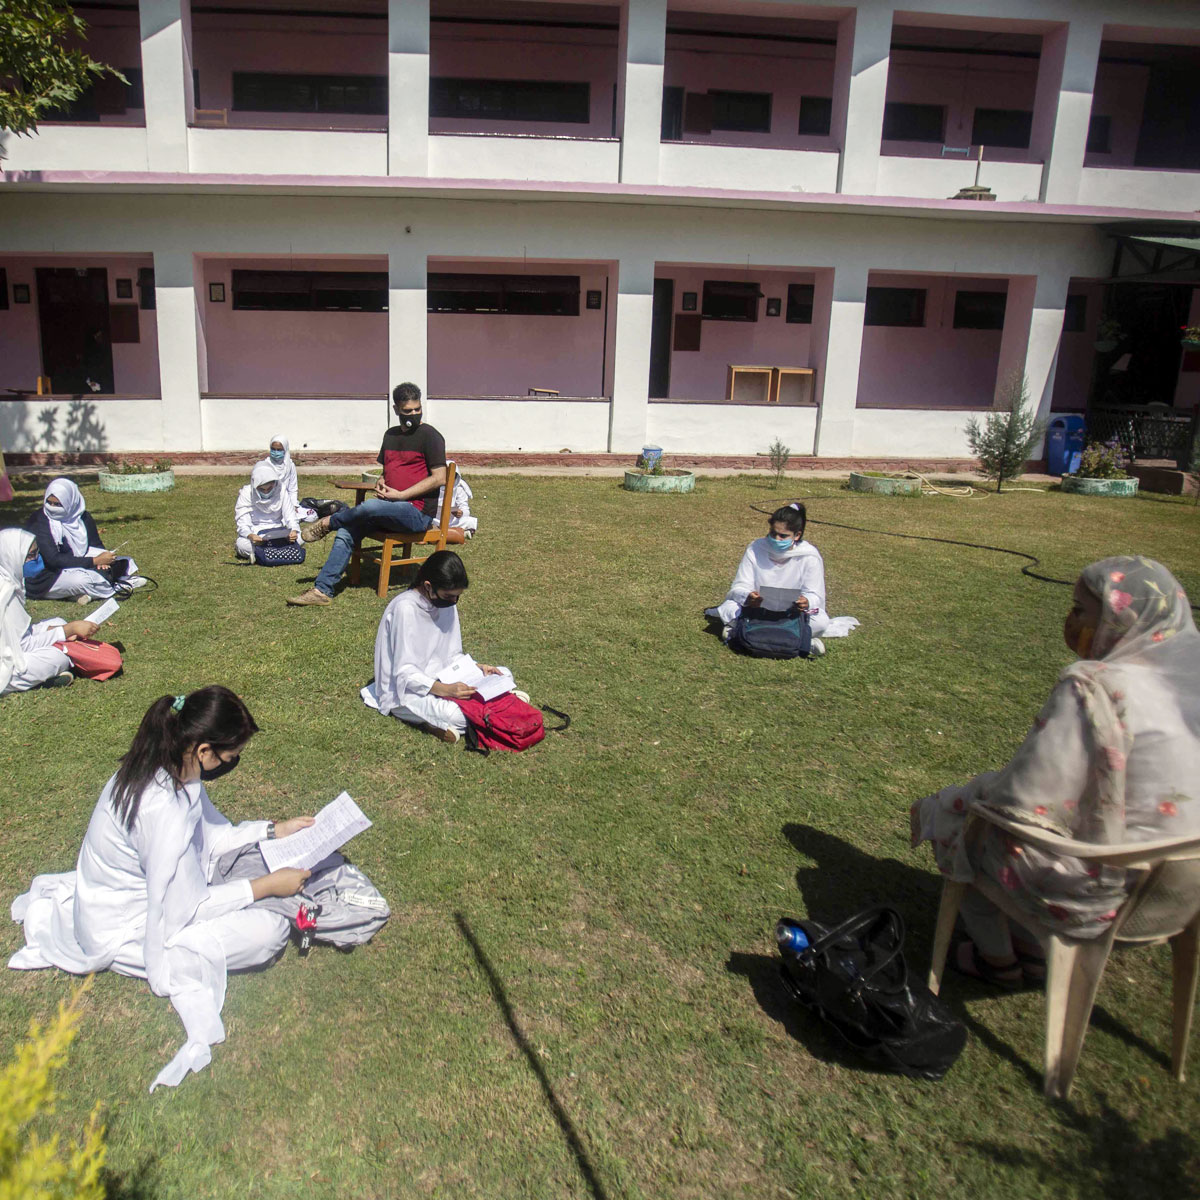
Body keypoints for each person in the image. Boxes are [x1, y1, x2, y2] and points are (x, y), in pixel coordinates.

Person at [911, 556, 1200, 987]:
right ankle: (1031, 947)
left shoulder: (1094, 685)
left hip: (1105, 894)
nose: (1070, 621)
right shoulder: (1188, 677)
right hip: (1179, 894)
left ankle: (997, 959)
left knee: (958, 818)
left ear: (1122, 618)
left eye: (1080, 610)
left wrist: (966, 794)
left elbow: (1021, 800)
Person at [9, 686, 316, 1090]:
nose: (233, 763)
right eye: (231, 756)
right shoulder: (163, 812)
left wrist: (274, 830)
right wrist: (265, 887)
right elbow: (188, 909)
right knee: (268, 934)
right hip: (127, 928)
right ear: (204, 751)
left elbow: (213, 834)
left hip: (131, 900)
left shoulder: (168, 767)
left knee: (243, 883)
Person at [288, 382, 446, 606]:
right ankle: (322, 590)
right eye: (407, 411)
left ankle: (327, 523)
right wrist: (382, 481)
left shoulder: (430, 436)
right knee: (347, 530)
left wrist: (401, 495)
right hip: (388, 509)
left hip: (416, 513)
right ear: (396, 410)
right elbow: (388, 470)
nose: (414, 415)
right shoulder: (390, 435)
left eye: (417, 409)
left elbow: (440, 477)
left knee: (370, 508)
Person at [366, 550, 523, 743]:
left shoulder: (446, 603)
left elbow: (452, 654)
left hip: (444, 678)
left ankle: (494, 702)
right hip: (405, 692)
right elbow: (403, 673)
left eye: (457, 597)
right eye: (449, 596)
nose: (453, 602)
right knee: (454, 715)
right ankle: (497, 704)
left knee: (504, 674)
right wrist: (445, 690)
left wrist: (477, 668)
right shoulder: (405, 609)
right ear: (428, 586)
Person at [707, 502, 859, 654]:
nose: (776, 539)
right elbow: (740, 585)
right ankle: (800, 638)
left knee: (820, 621)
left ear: (797, 535)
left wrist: (806, 602)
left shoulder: (809, 556)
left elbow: (815, 594)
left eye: (783, 536)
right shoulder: (756, 548)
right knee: (729, 608)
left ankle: (741, 631)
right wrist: (748, 597)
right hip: (757, 609)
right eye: (773, 534)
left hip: (791, 612)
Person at [1, 529, 100, 694]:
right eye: (31, 555)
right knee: (58, 656)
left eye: (36, 553)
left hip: (10, 645)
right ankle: (35, 681)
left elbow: (19, 633)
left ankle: (44, 676)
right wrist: (69, 630)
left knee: (58, 622)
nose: (36, 559)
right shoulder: (6, 594)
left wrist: (60, 630)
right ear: (12, 556)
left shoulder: (6, 578)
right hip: (6, 665)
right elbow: (23, 646)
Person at [25, 478, 143, 601]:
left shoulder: (82, 517)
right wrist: (94, 561)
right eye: (49, 503)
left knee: (126, 561)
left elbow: (95, 545)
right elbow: (53, 560)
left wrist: (103, 560)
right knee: (82, 580)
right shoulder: (40, 521)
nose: (52, 508)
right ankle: (117, 584)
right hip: (48, 574)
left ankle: (82, 592)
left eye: (58, 504)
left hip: (79, 562)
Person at [235, 462, 300, 561]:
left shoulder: (280, 489)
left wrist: (293, 531)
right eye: (262, 489)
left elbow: (290, 516)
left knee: (300, 538)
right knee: (242, 544)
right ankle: (278, 551)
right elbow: (243, 523)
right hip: (256, 533)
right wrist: (251, 535)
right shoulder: (247, 493)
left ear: (274, 483)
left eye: (269, 488)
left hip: (278, 532)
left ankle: (261, 554)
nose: (266, 492)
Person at [262, 433, 318, 523]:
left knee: (311, 515)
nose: (276, 452)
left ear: (285, 450)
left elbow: (292, 488)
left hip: (286, 502)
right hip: (269, 504)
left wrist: (293, 505)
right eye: (273, 449)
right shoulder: (265, 466)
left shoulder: (290, 465)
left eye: (279, 450)